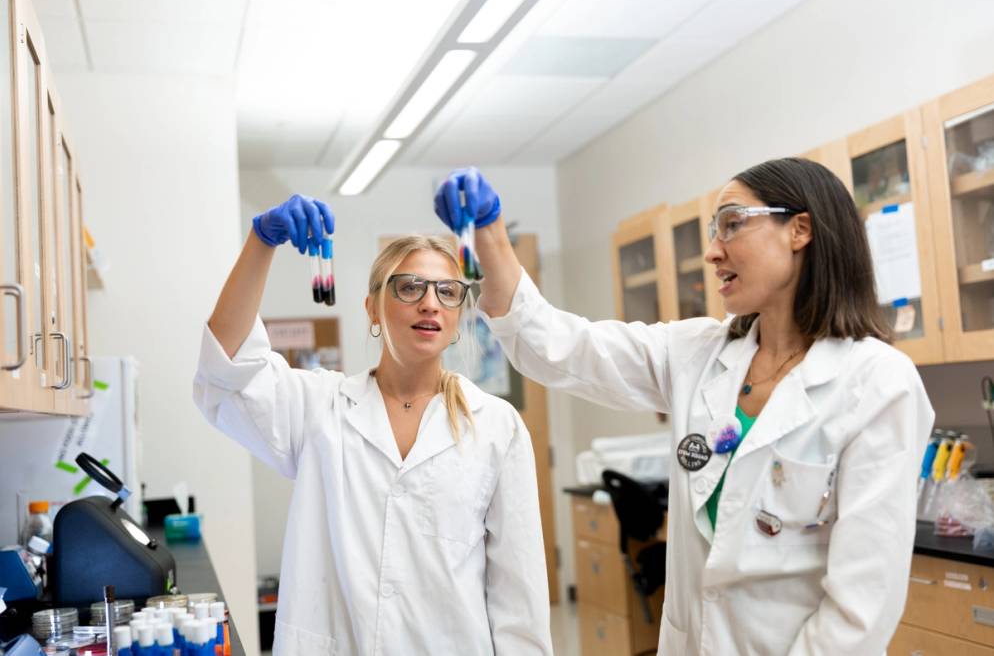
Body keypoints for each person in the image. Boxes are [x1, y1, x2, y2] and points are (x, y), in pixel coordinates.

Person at [433, 161, 935, 655]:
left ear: (799, 229)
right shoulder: (700, 353)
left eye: (732, 224)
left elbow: (861, 606)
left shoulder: (878, 384)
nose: (713, 252)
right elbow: (557, 345)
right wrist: (490, 234)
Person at [193, 194, 552, 655]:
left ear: (460, 315)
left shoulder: (496, 426)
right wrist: (260, 243)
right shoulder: (320, 407)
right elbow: (224, 372)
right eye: (409, 288)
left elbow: (519, 592)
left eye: (447, 291)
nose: (430, 303)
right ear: (372, 308)